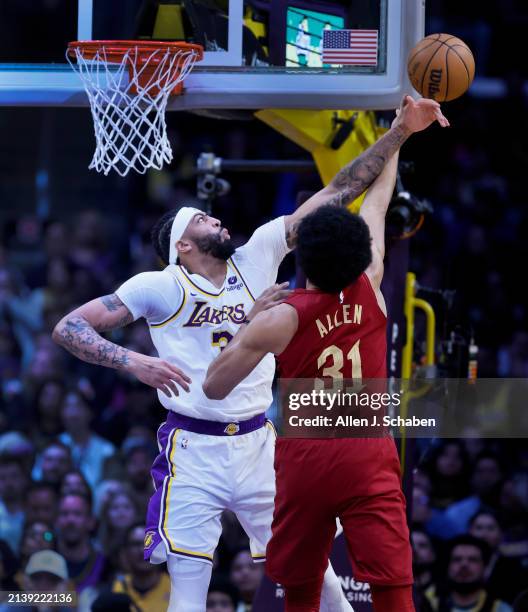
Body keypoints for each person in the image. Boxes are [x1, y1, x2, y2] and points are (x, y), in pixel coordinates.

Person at [52, 95, 448, 611]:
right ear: (182, 246)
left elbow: (341, 188)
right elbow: (69, 327)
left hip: (262, 441)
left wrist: (398, 133)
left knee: (322, 581)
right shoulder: (159, 285)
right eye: (200, 220)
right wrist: (134, 362)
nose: (214, 219)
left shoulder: (258, 251)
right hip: (194, 447)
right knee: (189, 591)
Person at [425, 535, 513, 612]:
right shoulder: (427, 603)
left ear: (485, 568)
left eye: (472, 560)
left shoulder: (500, 609)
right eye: (457, 559)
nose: (464, 565)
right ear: (447, 566)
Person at [55, 494, 106, 599]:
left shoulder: (105, 565)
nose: (70, 520)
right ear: (56, 521)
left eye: (77, 514)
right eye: (64, 514)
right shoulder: (43, 561)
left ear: (91, 522)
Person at [111, 523, 171, 611]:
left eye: (149, 543)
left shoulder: (176, 590)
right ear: (125, 552)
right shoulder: (117, 589)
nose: (142, 550)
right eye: (136, 544)